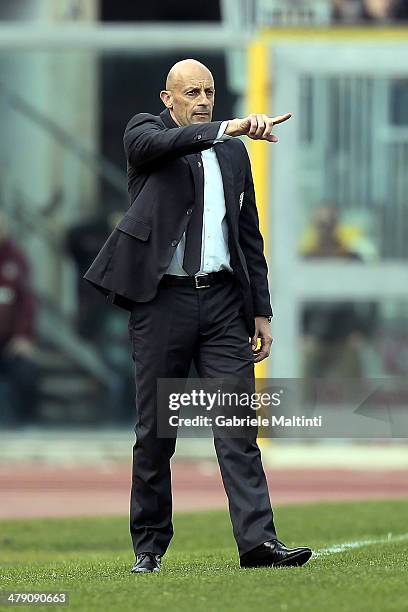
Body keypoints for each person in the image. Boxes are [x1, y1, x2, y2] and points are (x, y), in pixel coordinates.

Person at [84, 59, 312, 573]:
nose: (203, 99)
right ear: (169, 99)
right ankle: (149, 547)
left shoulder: (233, 155)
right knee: (156, 432)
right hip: (162, 302)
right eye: (191, 92)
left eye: (209, 91)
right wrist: (227, 126)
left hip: (224, 305)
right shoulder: (146, 133)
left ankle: (258, 543)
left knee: (236, 427)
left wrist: (261, 311)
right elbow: (162, 147)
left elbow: (248, 237)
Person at [0, 212, 38, 425]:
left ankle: (22, 424)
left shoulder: (17, 259)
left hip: (9, 345)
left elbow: (28, 303)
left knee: (27, 369)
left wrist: (24, 336)